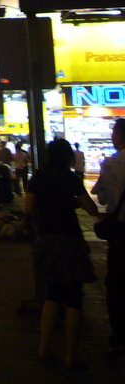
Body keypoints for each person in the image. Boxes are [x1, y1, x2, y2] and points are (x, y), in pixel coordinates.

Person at [25, 137, 98, 369]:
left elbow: (28, 208)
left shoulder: (38, 177)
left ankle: (44, 350)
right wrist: (71, 202)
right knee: (74, 298)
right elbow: (92, 208)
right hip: (70, 241)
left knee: (52, 296)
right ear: (68, 157)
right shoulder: (70, 178)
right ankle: (70, 356)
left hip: (46, 240)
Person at [92, 117, 125, 359]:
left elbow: (102, 199)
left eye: (114, 134)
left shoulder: (111, 164)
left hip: (121, 235)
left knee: (116, 287)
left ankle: (119, 340)